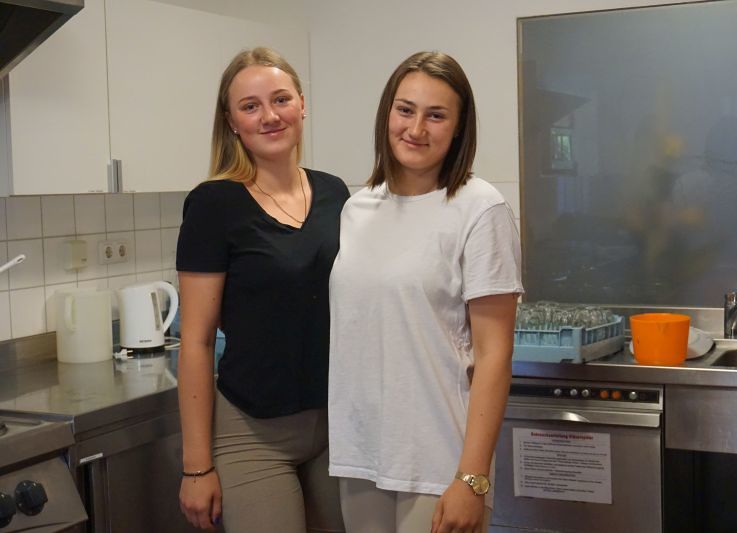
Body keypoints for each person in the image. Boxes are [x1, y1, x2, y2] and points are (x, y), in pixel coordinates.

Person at [328, 51, 524, 533]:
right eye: (405, 110)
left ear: (458, 129)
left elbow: (494, 355)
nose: (416, 128)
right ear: (386, 114)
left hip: (442, 460)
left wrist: (472, 478)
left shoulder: (480, 208)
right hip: (361, 455)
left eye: (436, 115)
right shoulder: (357, 209)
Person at [175, 47, 348, 532]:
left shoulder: (335, 193)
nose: (269, 116)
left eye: (280, 99)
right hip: (253, 433)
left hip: (337, 426)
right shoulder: (214, 205)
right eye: (250, 106)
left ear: (302, 104)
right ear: (232, 122)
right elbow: (197, 341)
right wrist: (196, 467)